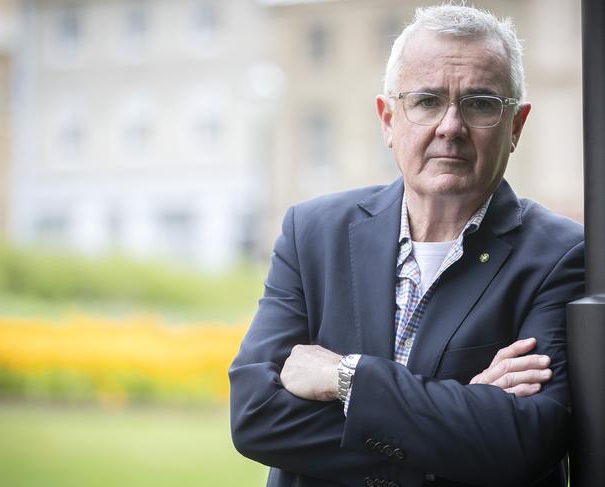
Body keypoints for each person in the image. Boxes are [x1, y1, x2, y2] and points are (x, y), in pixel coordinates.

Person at [229, 4, 583, 487]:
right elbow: (256, 415)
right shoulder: (312, 232)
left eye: (480, 102)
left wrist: (347, 378)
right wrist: (459, 415)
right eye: (426, 101)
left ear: (516, 125)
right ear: (389, 119)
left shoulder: (562, 255)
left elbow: (524, 440)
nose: (451, 126)